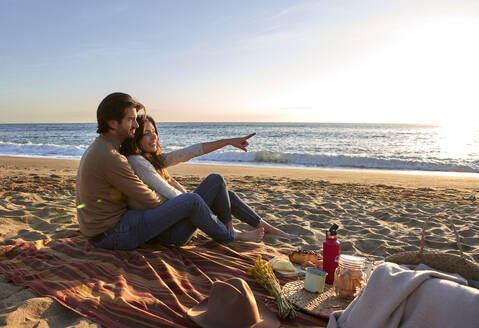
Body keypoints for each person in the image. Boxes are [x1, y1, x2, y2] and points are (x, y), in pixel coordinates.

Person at [75, 92, 280, 251]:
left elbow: (186, 153)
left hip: (107, 229)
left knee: (210, 192)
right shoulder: (113, 158)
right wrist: (189, 206)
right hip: (114, 234)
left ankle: (239, 227)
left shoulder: (105, 148)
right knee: (191, 200)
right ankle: (230, 235)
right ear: (113, 123)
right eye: (131, 120)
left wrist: (226, 141)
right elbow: (150, 200)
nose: (135, 125)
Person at [119, 114, 290, 246]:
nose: (154, 136)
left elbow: (190, 152)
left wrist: (227, 142)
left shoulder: (152, 159)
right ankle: (231, 233)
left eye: (154, 131)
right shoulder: (137, 161)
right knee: (215, 181)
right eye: (146, 133)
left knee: (225, 193)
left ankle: (266, 227)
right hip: (171, 234)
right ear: (136, 138)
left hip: (175, 225)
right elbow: (169, 194)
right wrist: (193, 201)